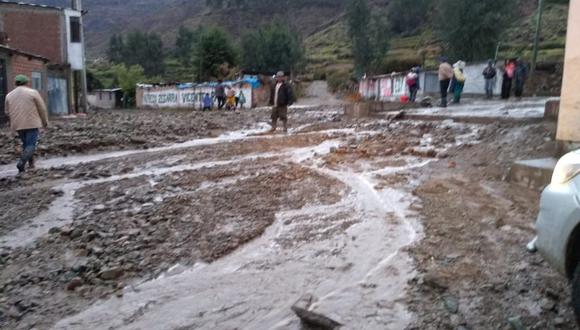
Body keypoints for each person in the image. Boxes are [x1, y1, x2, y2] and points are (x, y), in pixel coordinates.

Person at [4, 74, 48, 174]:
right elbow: (42, 109)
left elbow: (6, 111)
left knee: (26, 144)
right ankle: (21, 162)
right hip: (32, 123)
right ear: (27, 82)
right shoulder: (33, 92)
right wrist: (45, 122)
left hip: (18, 124)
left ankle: (31, 163)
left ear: (15, 83)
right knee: (31, 145)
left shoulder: (9, 95)